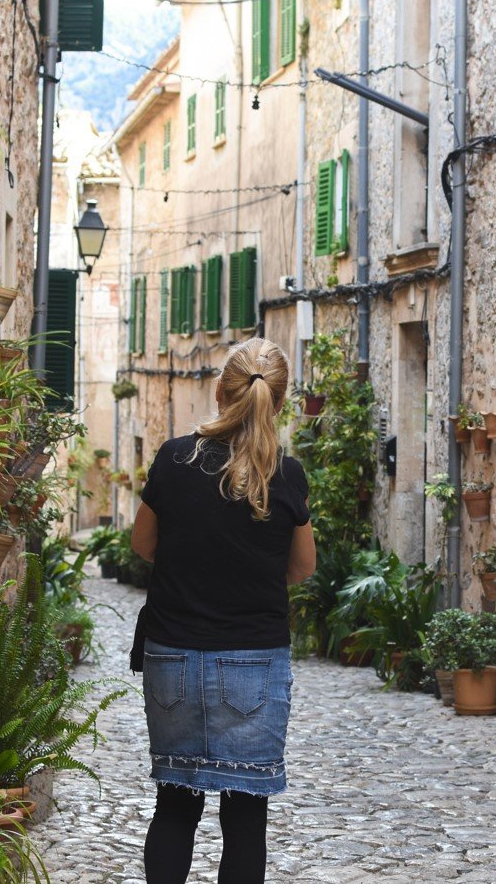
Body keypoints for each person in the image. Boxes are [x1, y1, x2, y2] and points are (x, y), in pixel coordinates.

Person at [129, 338, 316, 884]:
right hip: (253, 662)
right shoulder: (287, 475)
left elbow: (144, 545)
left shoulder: (173, 458)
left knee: (176, 803)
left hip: (173, 658)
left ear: (219, 391)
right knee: (245, 813)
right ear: (277, 403)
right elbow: (302, 567)